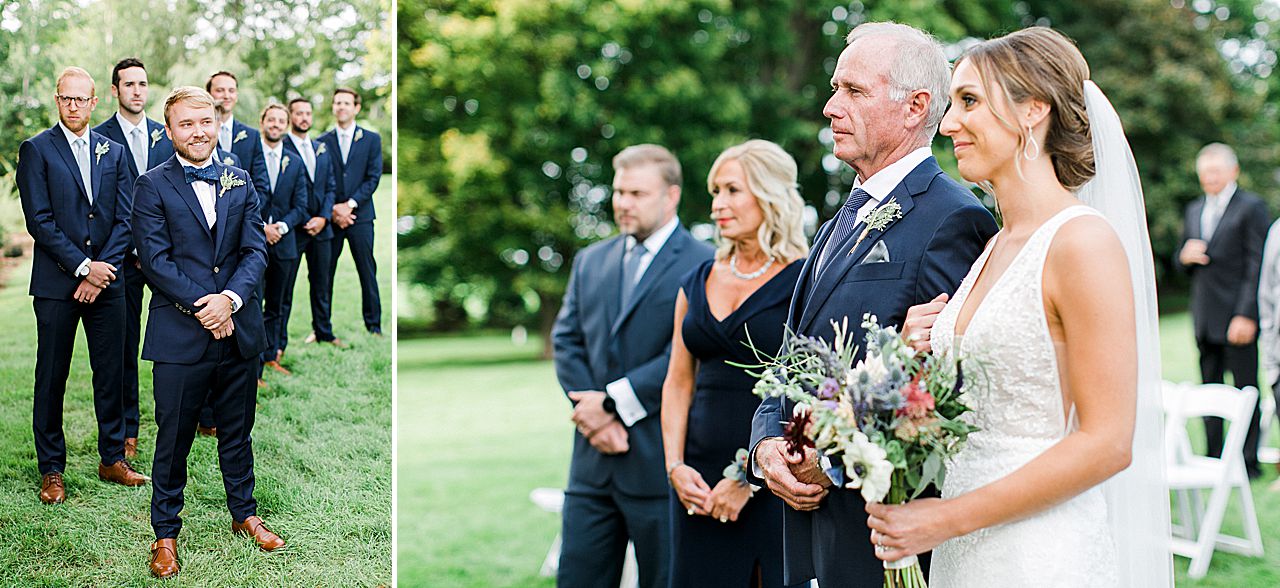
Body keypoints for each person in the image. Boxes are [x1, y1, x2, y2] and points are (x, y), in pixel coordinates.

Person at [877, 27, 1172, 586]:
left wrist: (945, 518)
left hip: (1039, 552)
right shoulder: (994, 244)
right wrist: (920, 349)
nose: (947, 124)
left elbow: (1108, 443)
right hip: (963, 551)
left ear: (1033, 110)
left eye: (969, 101)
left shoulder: (1082, 243)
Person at [746, 22, 997, 587]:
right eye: (835, 88)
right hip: (802, 525)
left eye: (854, 91)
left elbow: (942, 391)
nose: (832, 107)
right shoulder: (838, 219)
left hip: (878, 537)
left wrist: (830, 459)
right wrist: (766, 443)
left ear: (914, 108)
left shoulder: (953, 218)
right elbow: (791, 355)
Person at [133, 87, 284, 578]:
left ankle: (244, 515)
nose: (197, 131)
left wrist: (231, 302)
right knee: (173, 438)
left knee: (237, 434)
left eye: (206, 121)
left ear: (217, 122)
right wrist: (206, 306)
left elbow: (254, 250)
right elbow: (155, 261)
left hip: (238, 330)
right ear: (169, 130)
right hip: (181, 335)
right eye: (186, 124)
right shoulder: (151, 186)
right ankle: (165, 535)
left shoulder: (239, 178)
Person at [552, 144, 715, 588]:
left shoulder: (704, 263)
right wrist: (592, 416)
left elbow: (688, 352)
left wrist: (613, 403)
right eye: (619, 191)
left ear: (672, 196)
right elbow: (566, 341)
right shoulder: (591, 260)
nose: (623, 203)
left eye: (637, 193)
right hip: (590, 463)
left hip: (659, 461)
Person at [661, 139, 807, 588]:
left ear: (769, 195)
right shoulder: (697, 280)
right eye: (714, 192)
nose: (717, 205)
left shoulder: (805, 277)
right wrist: (674, 466)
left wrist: (750, 478)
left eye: (731, 190)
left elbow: (815, 391)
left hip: (771, 477)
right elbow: (678, 382)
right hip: (696, 482)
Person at [17, 65, 151, 504]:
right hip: (57, 285)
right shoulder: (36, 149)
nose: (74, 106)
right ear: (57, 100)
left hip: (107, 283)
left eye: (82, 99)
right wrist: (81, 268)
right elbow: (39, 220)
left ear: (95, 102)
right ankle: (52, 468)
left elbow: (126, 216)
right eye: (66, 98)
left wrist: (102, 270)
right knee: (51, 376)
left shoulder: (112, 151)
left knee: (111, 372)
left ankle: (113, 457)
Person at [93, 57, 175, 460]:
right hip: (120, 259)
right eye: (129, 84)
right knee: (123, 345)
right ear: (115, 91)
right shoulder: (99, 139)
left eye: (143, 83)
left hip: (164, 256)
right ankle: (127, 429)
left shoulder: (166, 135)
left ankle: (190, 416)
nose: (137, 91)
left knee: (177, 336)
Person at [1177, 143, 1270, 479]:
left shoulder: (1251, 208)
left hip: (1237, 317)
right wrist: (1184, 257)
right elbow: (1184, 257)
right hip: (1204, 316)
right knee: (1208, 389)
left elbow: (1257, 265)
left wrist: (1246, 315)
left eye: (1215, 171)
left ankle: (1249, 462)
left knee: (1245, 389)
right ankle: (1213, 455)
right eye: (1204, 173)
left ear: (1233, 171)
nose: (1209, 179)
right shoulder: (1193, 209)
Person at [250, 103, 309, 381]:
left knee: (277, 305)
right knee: (254, 304)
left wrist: (281, 227)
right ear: (262, 123)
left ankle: (272, 356)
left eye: (280, 120)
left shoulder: (295, 162)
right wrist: (262, 227)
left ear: (286, 126)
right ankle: (254, 367)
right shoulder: (250, 156)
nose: (275, 124)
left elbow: (302, 205)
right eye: (270, 119)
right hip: (254, 243)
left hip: (285, 244)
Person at [318, 87, 383, 337]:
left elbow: (373, 177)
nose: (341, 107)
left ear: (356, 107)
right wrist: (334, 208)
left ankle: (374, 326)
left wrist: (351, 204)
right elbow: (321, 178)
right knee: (324, 272)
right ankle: (323, 327)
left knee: (367, 270)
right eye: (337, 103)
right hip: (331, 217)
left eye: (346, 103)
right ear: (333, 108)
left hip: (361, 216)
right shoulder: (322, 141)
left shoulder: (371, 139)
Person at [282, 97, 342, 351]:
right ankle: (278, 344)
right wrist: (302, 218)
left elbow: (330, 187)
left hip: (322, 228)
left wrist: (324, 217)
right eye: (298, 113)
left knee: (322, 283)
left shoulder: (321, 147)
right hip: (294, 230)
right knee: (284, 288)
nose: (304, 117)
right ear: (290, 117)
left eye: (308, 113)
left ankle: (323, 332)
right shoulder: (280, 146)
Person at [207, 71, 259, 169]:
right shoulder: (199, 134)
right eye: (220, 90)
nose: (226, 96)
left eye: (231, 91)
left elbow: (260, 180)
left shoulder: (253, 136)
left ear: (236, 95)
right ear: (208, 94)